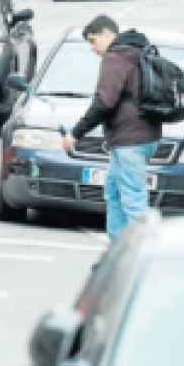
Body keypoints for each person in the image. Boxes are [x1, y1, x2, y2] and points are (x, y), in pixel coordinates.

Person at [62, 15, 161, 239]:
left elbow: (104, 101)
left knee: (133, 200)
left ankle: (141, 258)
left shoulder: (116, 58)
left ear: (108, 33)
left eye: (93, 40)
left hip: (129, 140)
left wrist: (76, 133)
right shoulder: (140, 52)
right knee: (114, 193)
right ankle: (116, 251)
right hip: (144, 137)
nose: (92, 48)